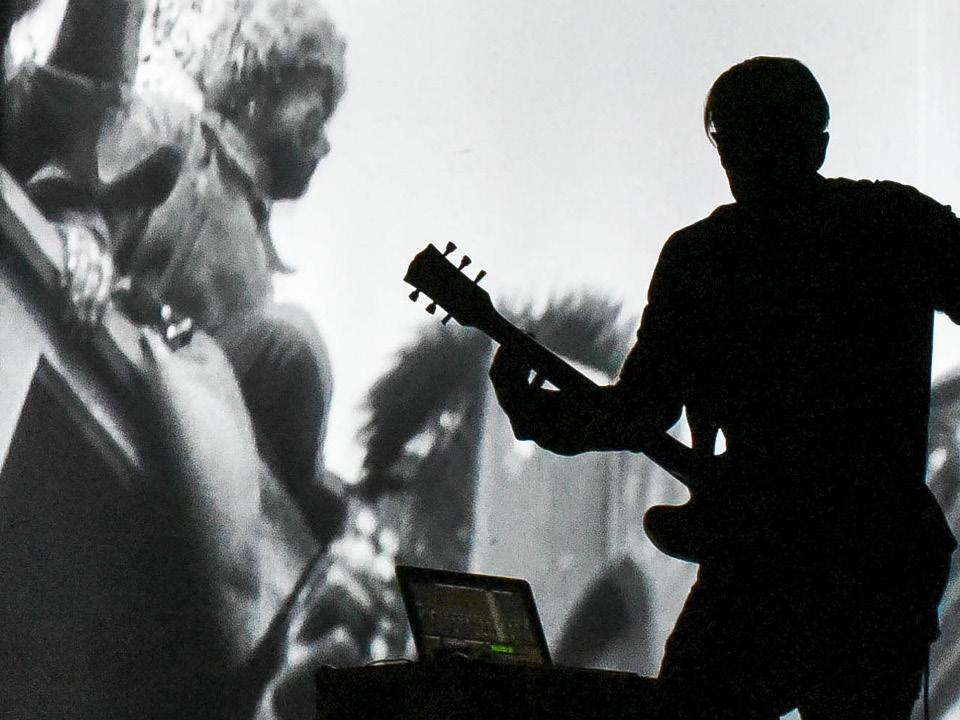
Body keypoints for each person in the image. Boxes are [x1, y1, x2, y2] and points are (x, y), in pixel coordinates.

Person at [489, 56, 957, 719]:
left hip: (760, 571)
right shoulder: (896, 222)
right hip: (878, 566)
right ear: (819, 141)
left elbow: (638, 413)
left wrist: (536, 414)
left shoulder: (703, 257)